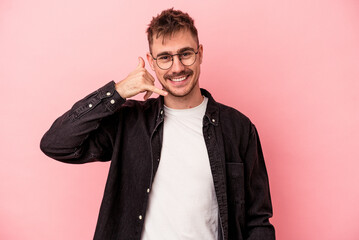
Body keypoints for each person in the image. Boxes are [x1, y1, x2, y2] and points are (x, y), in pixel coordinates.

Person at [40, 8, 275, 240]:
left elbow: (257, 221)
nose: (177, 67)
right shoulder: (130, 122)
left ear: (200, 53)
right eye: (165, 57)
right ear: (151, 62)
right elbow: (56, 143)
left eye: (185, 54)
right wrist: (117, 92)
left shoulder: (238, 129)